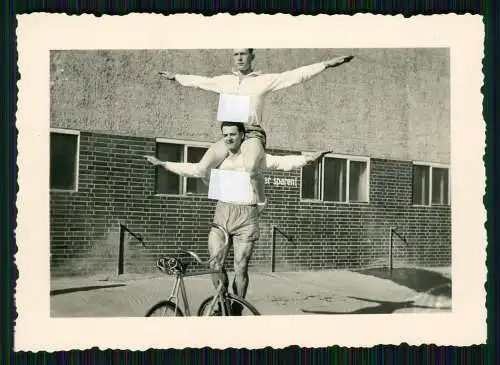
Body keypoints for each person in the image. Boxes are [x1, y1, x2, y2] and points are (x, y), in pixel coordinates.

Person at [145, 122, 329, 314]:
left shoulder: (253, 157)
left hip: (246, 215)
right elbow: (195, 169)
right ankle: (221, 302)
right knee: (214, 264)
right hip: (223, 212)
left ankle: (236, 308)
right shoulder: (220, 159)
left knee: (240, 267)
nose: (229, 138)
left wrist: (308, 159)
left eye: (233, 134)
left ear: (242, 135)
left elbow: (282, 163)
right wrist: (164, 164)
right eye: (225, 135)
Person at [159, 49, 353, 207]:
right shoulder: (225, 80)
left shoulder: (263, 80)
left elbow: (294, 76)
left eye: (244, 54)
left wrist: (325, 65)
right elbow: (200, 82)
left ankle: (261, 201)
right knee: (202, 168)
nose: (240, 58)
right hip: (230, 132)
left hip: (251, 133)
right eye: (236, 54)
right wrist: (176, 77)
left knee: (251, 166)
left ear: (252, 56)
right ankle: (227, 199)